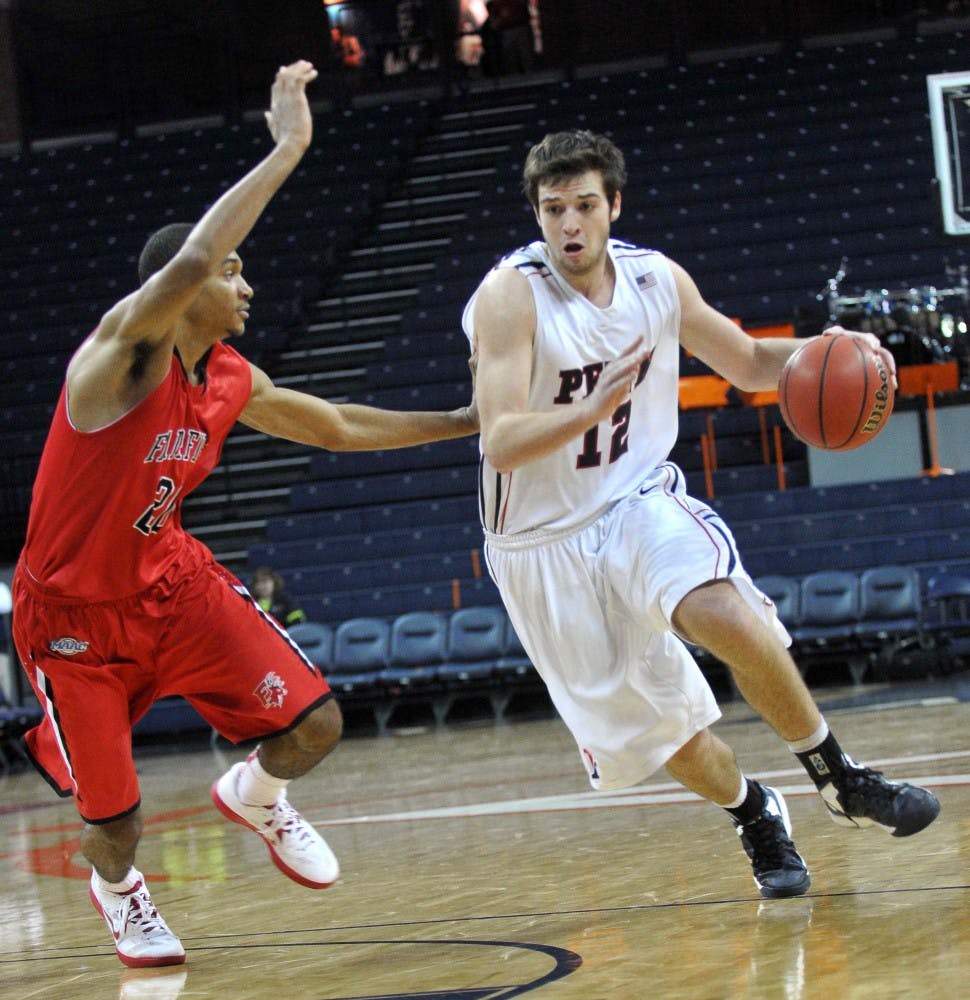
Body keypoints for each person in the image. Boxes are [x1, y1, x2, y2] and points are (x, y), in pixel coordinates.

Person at [11, 60, 477, 969]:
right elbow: (188, 260)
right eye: (234, 272)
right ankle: (119, 892)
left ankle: (258, 795)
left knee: (315, 725)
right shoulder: (115, 362)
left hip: (170, 583)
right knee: (117, 819)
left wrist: (464, 421)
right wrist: (289, 147)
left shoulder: (229, 376)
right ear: (186, 293)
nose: (246, 286)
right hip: (72, 622)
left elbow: (336, 426)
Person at [461, 129, 940, 901]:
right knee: (662, 739)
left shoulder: (656, 281)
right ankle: (756, 811)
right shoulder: (509, 296)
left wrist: (830, 348)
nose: (571, 225)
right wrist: (594, 405)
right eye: (554, 211)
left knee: (722, 612)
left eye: (585, 205)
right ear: (538, 216)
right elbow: (503, 441)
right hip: (537, 543)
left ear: (613, 205)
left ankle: (840, 778)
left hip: (636, 501)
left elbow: (748, 360)